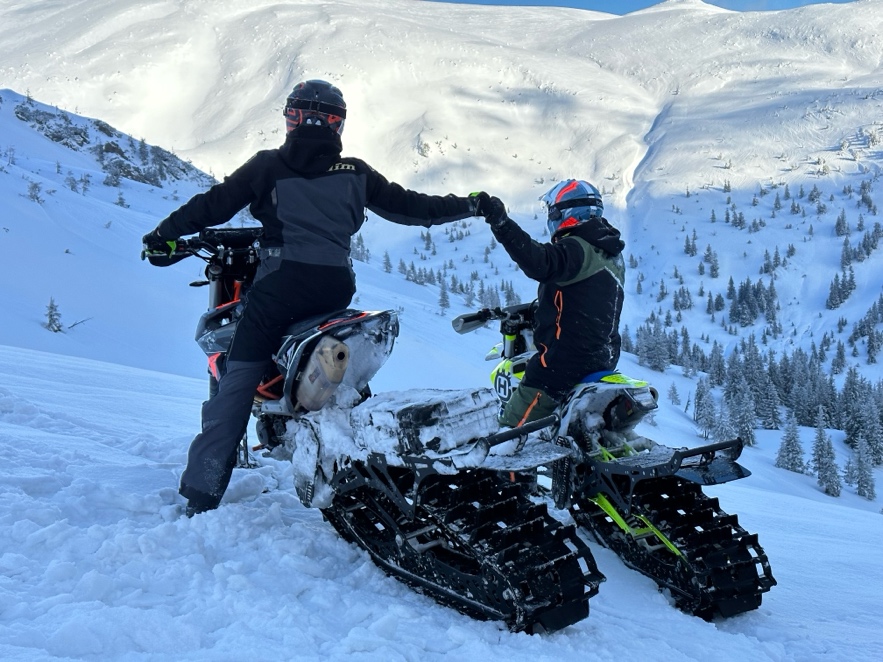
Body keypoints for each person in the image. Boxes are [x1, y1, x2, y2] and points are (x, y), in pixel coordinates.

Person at [142, 79, 482, 517]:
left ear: (291, 119)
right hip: (337, 284)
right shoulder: (355, 172)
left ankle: (201, 494)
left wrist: (162, 235)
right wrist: (469, 205)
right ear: (338, 125)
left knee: (237, 383)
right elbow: (414, 207)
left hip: (281, 286)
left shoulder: (267, 167)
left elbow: (211, 205)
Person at [472, 181, 625, 427]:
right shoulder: (608, 251)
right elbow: (585, 300)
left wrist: (500, 222)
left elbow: (538, 262)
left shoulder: (576, 247)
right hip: (602, 358)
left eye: (552, 211)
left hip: (561, 368)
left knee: (509, 435)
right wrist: (538, 311)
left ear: (564, 213)